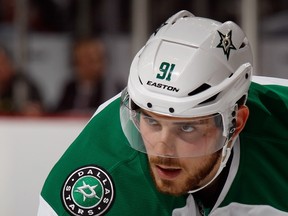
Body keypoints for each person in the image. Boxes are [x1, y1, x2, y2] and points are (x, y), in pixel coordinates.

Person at [37, 10, 288, 215]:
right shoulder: (105, 181)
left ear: (236, 123)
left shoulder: (280, 125)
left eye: (186, 127)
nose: (161, 149)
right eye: (151, 121)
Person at [55, 37, 106, 116]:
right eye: (80, 60)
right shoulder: (70, 88)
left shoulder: (111, 88)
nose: (86, 65)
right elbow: (59, 113)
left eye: (91, 60)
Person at [0, 45, 43, 116]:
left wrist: (32, 110)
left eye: (2, 63)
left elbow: (37, 110)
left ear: (11, 65)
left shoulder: (24, 85)